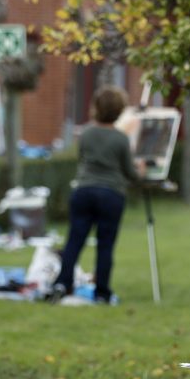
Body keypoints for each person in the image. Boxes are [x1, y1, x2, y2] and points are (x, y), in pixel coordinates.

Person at [52, 85, 142, 304]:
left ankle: (62, 283)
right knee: (105, 245)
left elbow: (82, 159)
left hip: (83, 191)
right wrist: (141, 170)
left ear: (96, 108)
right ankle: (101, 292)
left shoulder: (86, 133)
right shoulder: (121, 139)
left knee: (74, 240)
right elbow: (130, 173)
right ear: (119, 110)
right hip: (111, 195)